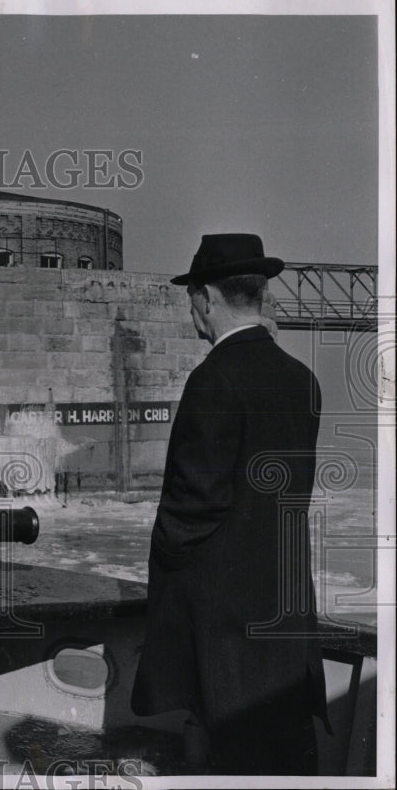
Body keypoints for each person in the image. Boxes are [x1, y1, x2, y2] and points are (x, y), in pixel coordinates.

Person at [130, 234, 328, 775]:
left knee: (234, 763)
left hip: (228, 633)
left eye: (191, 298)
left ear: (206, 297)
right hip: (286, 617)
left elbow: (195, 503)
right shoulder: (301, 381)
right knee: (289, 762)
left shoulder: (212, 380)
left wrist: (165, 556)